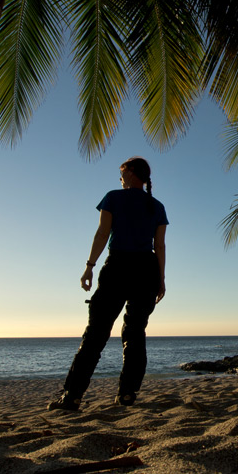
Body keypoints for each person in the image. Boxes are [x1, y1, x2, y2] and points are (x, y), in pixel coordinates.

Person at [48, 157, 168, 411]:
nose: (120, 178)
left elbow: (103, 233)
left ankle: (72, 396)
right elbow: (159, 246)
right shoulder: (157, 206)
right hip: (146, 270)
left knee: (96, 333)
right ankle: (127, 394)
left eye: (122, 172)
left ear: (131, 172)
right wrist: (161, 279)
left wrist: (89, 266)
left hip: (118, 267)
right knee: (135, 333)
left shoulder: (113, 197)